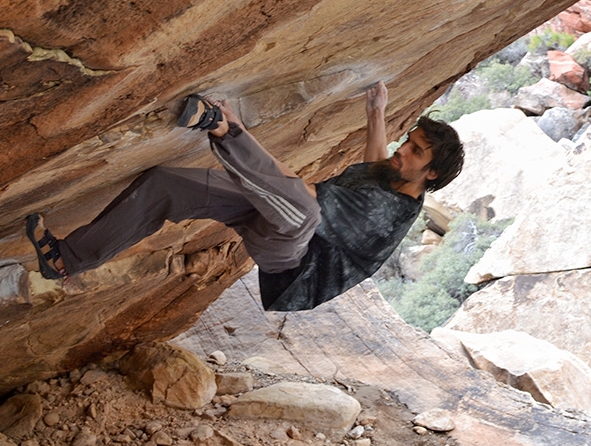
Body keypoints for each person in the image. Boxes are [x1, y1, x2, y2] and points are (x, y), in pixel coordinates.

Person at [26, 82, 464, 311]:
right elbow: (375, 164)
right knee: (165, 184)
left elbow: (295, 191)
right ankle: (68, 258)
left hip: (292, 261)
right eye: (407, 141)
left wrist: (236, 132)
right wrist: (376, 112)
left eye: (415, 151)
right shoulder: (396, 178)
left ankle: (218, 126)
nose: (401, 150)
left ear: (432, 174)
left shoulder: (388, 212)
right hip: (283, 222)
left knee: (304, 208)